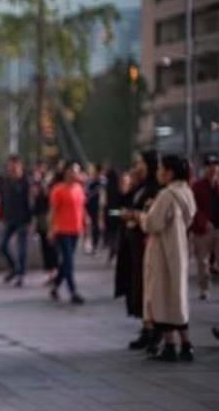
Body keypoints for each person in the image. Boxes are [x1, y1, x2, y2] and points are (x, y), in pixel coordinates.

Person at [140, 154, 195, 362]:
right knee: (177, 294)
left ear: (169, 172)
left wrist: (143, 215)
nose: (158, 173)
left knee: (162, 295)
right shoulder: (186, 192)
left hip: (162, 252)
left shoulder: (166, 195)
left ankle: (170, 344)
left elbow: (152, 223)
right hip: (179, 248)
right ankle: (186, 343)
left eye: (160, 169)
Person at [116, 151, 161, 351]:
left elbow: (152, 216)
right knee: (137, 285)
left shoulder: (156, 189)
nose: (136, 167)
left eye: (140, 163)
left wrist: (134, 214)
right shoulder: (139, 187)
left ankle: (154, 329)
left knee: (147, 286)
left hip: (146, 244)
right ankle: (145, 327)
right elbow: (118, 206)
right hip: (133, 243)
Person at [48, 161, 87, 304]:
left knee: (66, 262)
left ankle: (56, 285)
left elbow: (81, 207)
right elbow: (52, 211)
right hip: (62, 230)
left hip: (75, 229)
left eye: (76, 171)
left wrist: (85, 219)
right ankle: (73, 291)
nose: (74, 174)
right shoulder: (58, 190)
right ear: (65, 173)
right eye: (72, 171)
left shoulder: (79, 189)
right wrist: (51, 229)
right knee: (69, 262)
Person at [0, 155, 32, 286]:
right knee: (2, 245)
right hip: (9, 218)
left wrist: (30, 220)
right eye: (10, 166)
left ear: (20, 166)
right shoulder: (4, 181)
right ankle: (14, 268)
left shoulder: (26, 182)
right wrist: (1, 215)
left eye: (14, 166)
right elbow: (2, 200)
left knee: (22, 248)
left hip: (22, 219)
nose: (12, 168)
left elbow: (29, 202)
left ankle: (21, 274)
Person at [190, 154, 219, 301]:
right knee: (203, 260)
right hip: (203, 229)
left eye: (215, 166)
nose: (213, 169)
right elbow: (193, 208)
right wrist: (203, 222)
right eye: (209, 166)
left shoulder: (218, 184)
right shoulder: (197, 186)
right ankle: (204, 288)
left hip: (217, 227)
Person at [30, 165, 57, 284]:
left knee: (51, 248)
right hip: (41, 222)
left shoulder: (52, 191)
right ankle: (52, 273)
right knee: (46, 248)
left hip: (50, 222)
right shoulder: (37, 192)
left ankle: (55, 273)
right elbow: (35, 209)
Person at [85, 163, 107, 254]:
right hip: (92, 207)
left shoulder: (103, 182)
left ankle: (100, 242)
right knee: (93, 226)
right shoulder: (91, 181)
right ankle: (94, 244)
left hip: (102, 208)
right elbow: (87, 193)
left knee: (99, 225)